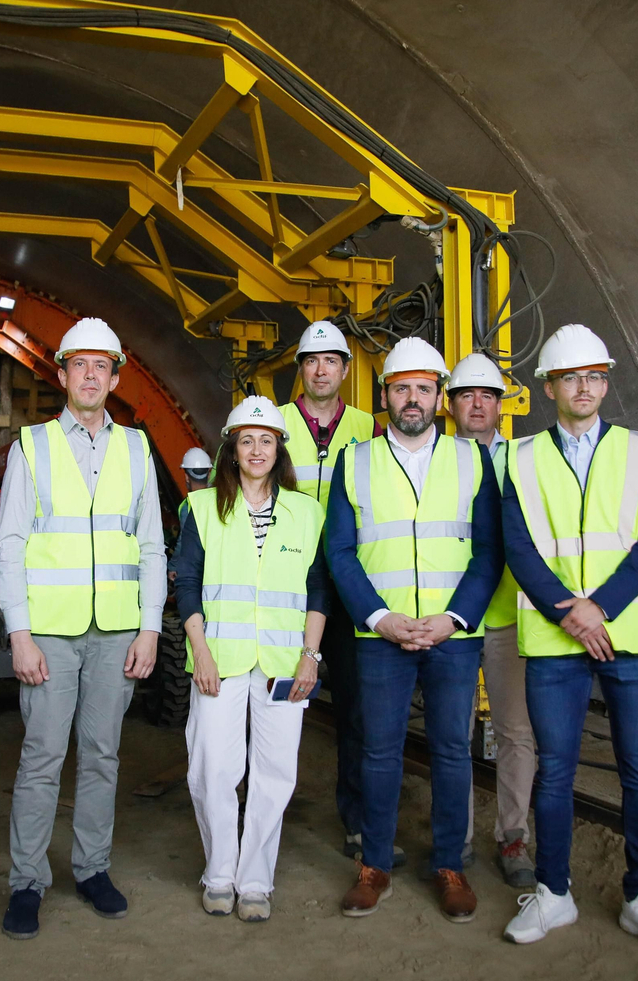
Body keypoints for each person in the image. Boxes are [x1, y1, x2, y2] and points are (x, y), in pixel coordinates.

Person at [498, 325, 638, 951]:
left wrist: (599, 608)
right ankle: (553, 894)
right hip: (556, 640)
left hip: (629, 631)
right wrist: (567, 612)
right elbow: (518, 546)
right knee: (555, 772)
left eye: (596, 376)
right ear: (549, 386)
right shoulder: (517, 457)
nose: (586, 388)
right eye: (573, 377)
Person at [0, 317, 165, 940]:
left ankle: (92, 869)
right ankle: (26, 882)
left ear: (115, 377)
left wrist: (150, 630)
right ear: (62, 374)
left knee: (102, 755)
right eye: (79, 365)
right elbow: (9, 545)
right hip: (49, 633)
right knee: (42, 757)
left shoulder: (138, 447)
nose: (91, 375)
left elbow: (151, 546)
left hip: (117, 631)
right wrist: (19, 634)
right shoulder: (31, 446)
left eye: (102, 366)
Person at [324, 337, 502, 924]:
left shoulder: (472, 461)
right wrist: (381, 618)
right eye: (401, 388)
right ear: (384, 396)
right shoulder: (356, 461)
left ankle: (449, 865)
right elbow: (341, 552)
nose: (413, 399)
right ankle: (374, 865)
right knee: (379, 752)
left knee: (452, 751)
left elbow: (487, 551)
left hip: (453, 637)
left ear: (438, 398)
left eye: (424, 388)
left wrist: (453, 620)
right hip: (383, 637)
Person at [170, 397, 327, 923]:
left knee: (275, 772)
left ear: (278, 448)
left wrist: (310, 658)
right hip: (219, 658)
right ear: (232, 450)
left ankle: (255, 879)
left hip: (285, 663)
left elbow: (316, 589)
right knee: (213, 766)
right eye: (246, 440)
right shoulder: (202, 508)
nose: (257, 449)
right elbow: (187, 584)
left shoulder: (307, 513)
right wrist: (201, 652)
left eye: (266, 439)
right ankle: (219, 872)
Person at [277, 320, 389, 863]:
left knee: (357, 710)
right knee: (270, 705)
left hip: (347, 589)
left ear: (346, 370)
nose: (321, 370)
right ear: (300, 369)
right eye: (311, 361)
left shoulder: (368, 428)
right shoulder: (271, 425)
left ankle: (358, 819)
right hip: (283, 587)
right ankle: (263, 815)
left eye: (331, 361)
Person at [445, 355, 537, 889]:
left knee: (516, 732)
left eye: (487, 395)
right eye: (466, 395)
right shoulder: (434, 459)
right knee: (452, 733)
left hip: (508, 617)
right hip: (454, 619)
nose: (477, 404)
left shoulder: (525, 459)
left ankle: (513, 835)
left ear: (500, 406)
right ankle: (454, 836)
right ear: (451, 404)